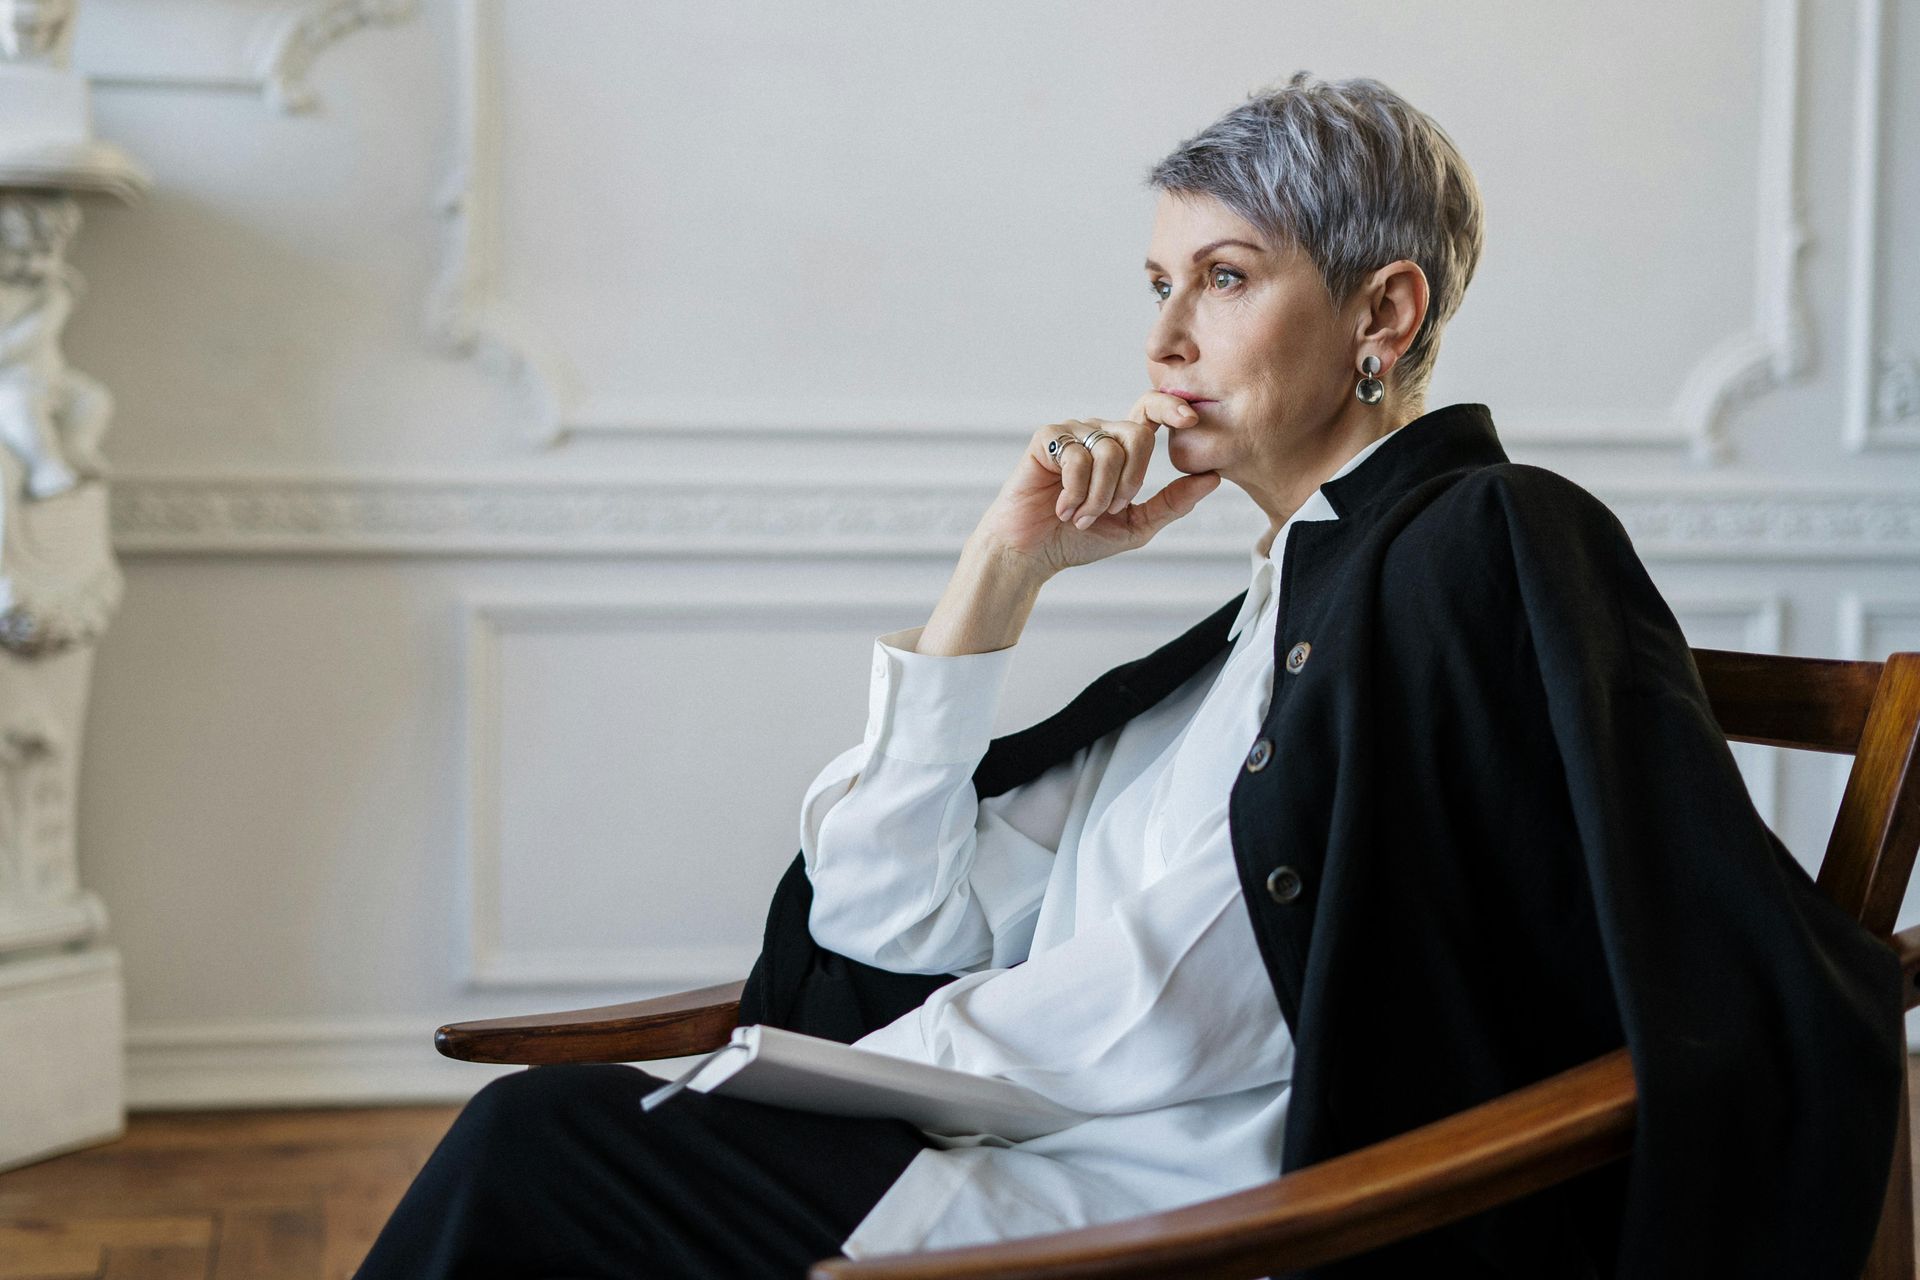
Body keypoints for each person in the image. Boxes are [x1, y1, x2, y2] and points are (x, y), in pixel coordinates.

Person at [355, 71, 1905, 1280]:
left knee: (538, 1153)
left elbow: (1201, 1006)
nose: (1165, 334)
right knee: (546, 1155)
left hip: (1181, 1204)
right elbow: (893, 919)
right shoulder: (1264, 614)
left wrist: (848, 1073)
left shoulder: (1472, 544)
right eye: (1155, 281)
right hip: (1040, 1142)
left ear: (1384, 311)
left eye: (1224, 277)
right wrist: (998, 578)